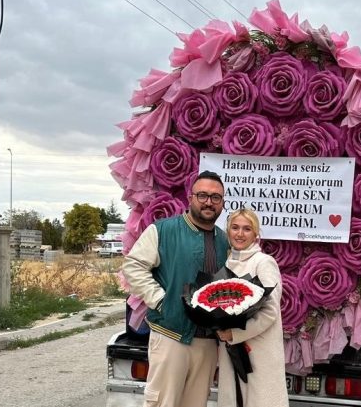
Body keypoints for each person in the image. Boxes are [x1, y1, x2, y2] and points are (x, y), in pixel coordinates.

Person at [122, 170, 230, 407]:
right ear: (190, 198)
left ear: (222, 203)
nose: (208, 202)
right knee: (163, 402)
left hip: (207, 342)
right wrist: (162, 301)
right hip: (172, 335)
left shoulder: (224, 241)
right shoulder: (163, 230)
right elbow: (134, 266)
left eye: (216, 197)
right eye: (202, 195)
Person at [216, 208, 289, 407]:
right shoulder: (226, 263)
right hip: (231, 350)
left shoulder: (264, 262)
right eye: (235, 227)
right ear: (228, 231)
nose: (240, 234)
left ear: (256, 233)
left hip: (258, 352)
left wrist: (235, 333)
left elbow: (270, 311)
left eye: (247, 229)